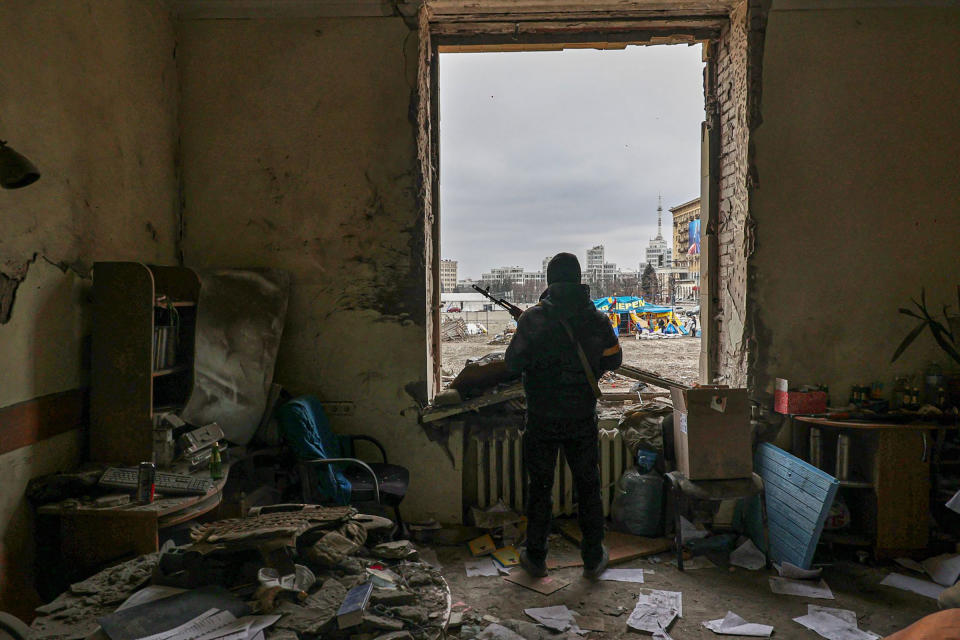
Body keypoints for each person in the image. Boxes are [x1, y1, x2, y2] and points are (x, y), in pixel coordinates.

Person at [505, 253, 623, 580]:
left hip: (541, 418)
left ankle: (536, 556)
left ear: (549, 281)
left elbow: (512, 364)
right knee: (588, 488)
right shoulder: (598, 321)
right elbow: (614, 360)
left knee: (539, 488)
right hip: (581, 418)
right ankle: (592, 557)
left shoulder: (533, 320)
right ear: (579, 279)